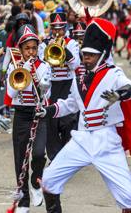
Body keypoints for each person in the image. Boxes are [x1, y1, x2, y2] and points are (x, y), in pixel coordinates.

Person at [39, 17, 131, 213]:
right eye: (84, 54)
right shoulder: (78, 78)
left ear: (103, 55)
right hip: (82, 139)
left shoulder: (113, 73)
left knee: (128, 198)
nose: (86, 58)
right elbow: (71, 104)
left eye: (90, 55)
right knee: (49, 181)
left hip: (107, 141)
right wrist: (48, 110)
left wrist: (119, 94)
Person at [6, 24, 51, 212]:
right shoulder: (13, 66)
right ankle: (23, 202)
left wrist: (33, 74)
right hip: (21, 115)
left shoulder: (45, 66)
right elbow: (11, 93)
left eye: (34, 48)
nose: (31, 52)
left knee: (39, 153)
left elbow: (46, 91)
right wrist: (22, 70)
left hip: (39, 114)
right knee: (20, 158)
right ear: (21, 49)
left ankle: (35, 182)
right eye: (27, 48)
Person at [38, 12, 80, 161]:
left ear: (65, 28)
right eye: (54, 29)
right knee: (52, 122)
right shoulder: (44, 45)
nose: (57, 32)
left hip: (68, 84)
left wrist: (64, 50)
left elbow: (75, 64)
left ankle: (65, 151)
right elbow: (42, 65)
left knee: (68, 121)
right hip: (51, 86)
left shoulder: (72, 43)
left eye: (60, 29)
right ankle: (54, 156)